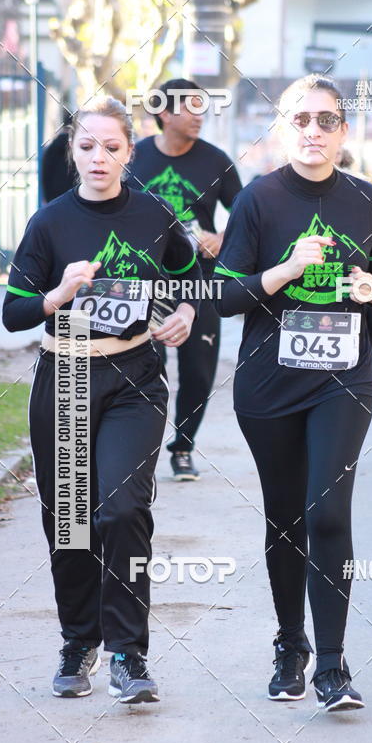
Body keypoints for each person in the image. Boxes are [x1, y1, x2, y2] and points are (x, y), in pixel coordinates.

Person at [213, 74, 372, 713]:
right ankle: (289, 643)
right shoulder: (259, 202)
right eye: (301, 119)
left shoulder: (366, 199)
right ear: (283, 127)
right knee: (286, 516)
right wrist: (289, 269)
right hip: (269, 382)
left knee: (328, 509)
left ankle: (332, 664)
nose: (314, 131)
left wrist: (371, 289)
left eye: (327, 120)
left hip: (343, 378)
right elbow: (225, 296)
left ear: (344, 131)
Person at [2, 96, 200, 703]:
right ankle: (77, 641)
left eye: (111, 147)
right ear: (73, 152)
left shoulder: (153, 215)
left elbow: (191, 276)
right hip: (65, 375)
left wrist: (186, 310)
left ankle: (129, 654)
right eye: (86, 146)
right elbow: (13, 314)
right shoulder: (49, 223)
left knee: (121, 509)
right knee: (71, 521)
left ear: (128, 154)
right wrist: (58, 293)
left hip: (135, 375)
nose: (98, 157)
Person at [128, 78, 243, 480]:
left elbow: (246, 216)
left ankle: (183, 447)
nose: (200, 116)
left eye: (202, 108)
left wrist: (220, 237)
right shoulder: (134, 158)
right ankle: (143, 447)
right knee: (148, 364)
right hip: (146, 281)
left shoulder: (216, 161)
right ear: (164, 113)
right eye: (191, 108)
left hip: (199, 282)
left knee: (197, 369)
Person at [41, 108, 79, 203]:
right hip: (74, 197)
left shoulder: (51, 148)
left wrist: (46, 197)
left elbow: (45, 174)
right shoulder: (79, 147)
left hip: (54, 197)